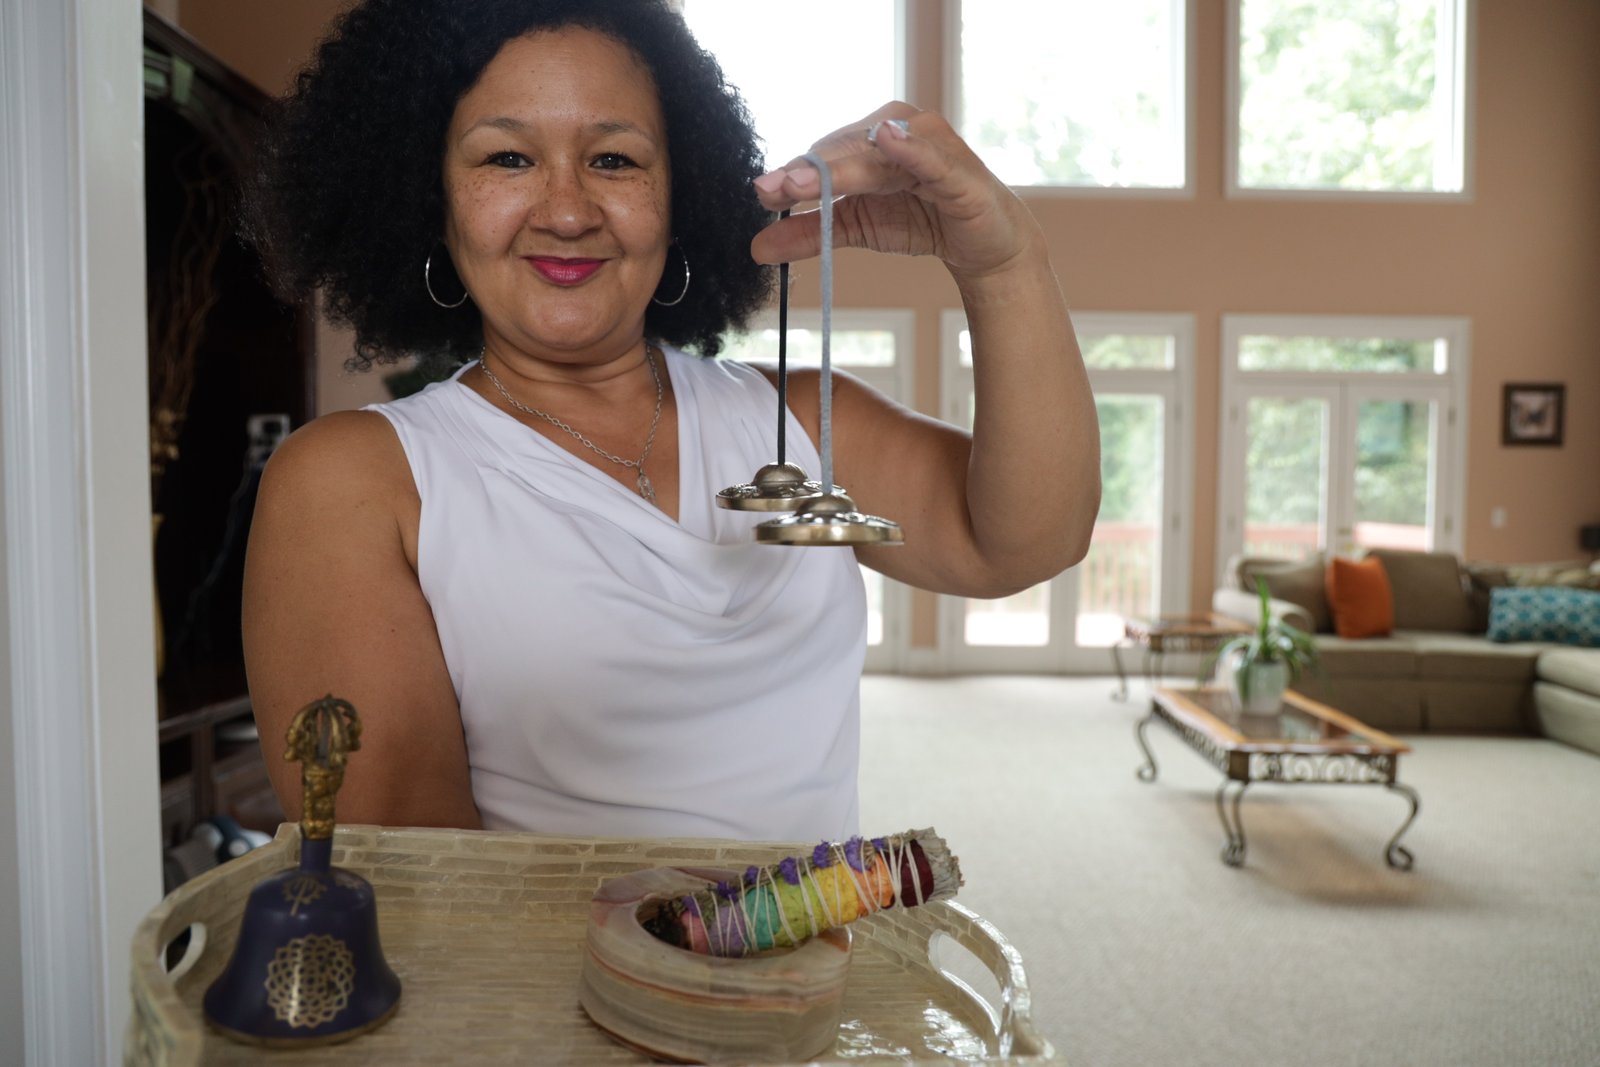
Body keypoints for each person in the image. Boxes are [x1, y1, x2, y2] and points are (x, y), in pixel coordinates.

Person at [242, 0, 1100, 841]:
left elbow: (1027, 540)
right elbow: (420, 887)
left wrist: (1004, 261)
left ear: (678, 193)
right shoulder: (357, 479)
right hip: (561, 987)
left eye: (614, 160)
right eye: (507, 158)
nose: (568, 211)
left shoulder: (795, 421)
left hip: (818, 974)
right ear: (430, 200)